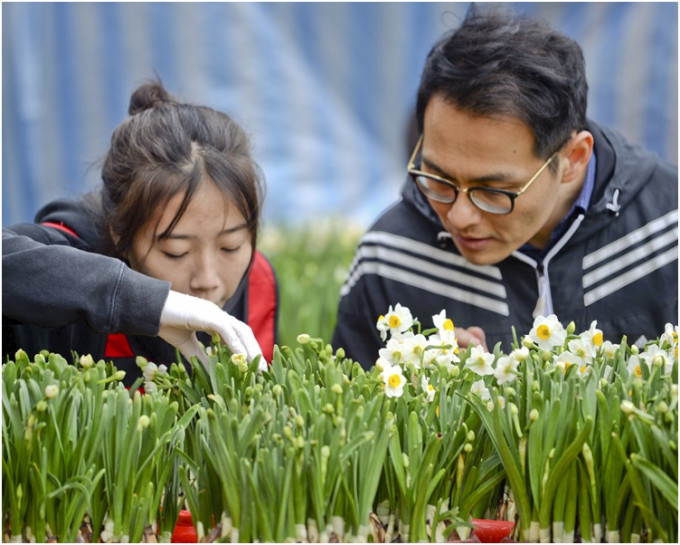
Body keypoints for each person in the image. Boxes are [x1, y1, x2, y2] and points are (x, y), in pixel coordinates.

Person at [333, 8, 678, 369]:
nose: (460, 216)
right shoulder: (391, 256)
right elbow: (355, 412)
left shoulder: (667, 234)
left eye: (493, 191)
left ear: (574, 158)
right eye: (438, 178)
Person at [3, 81, 279, 384]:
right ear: (120, 234)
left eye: (231, 246)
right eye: (177, 252)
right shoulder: (66, 260)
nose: (208, 281)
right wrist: (144, 302)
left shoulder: (258, 284)